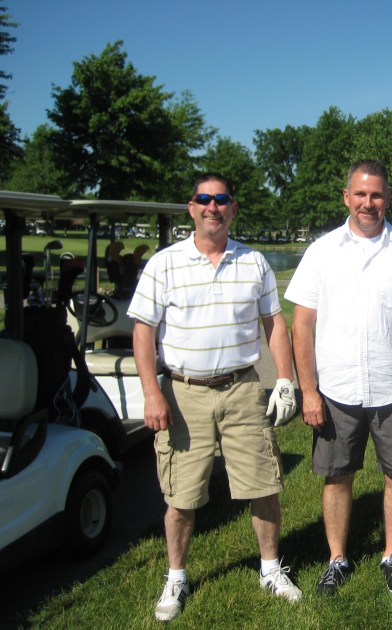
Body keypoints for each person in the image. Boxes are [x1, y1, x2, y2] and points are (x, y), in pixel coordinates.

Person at [129, 173, 302, 622]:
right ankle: (176, 577)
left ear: (233, 208)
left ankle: (270, 569)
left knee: (264, 486)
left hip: (242, 389)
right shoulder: (164, 264)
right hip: (184, 393)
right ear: (191, 207)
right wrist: (152, 392)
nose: (213, 207)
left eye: (221, 199)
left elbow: (274, 324)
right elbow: (143, 332)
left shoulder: (254, 262)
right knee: (181, 496)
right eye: (204, 199)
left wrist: (285, 379)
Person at [285, 160, 392, 596]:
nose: (368, 203)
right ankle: (337, 559)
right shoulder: (322, 252)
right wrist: (308, 391)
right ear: (346, 197)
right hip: (336, 389)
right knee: (337, 476)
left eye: (376, 195)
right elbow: (301, 324)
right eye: (360, 194)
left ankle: (391, 556)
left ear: (387, 199)